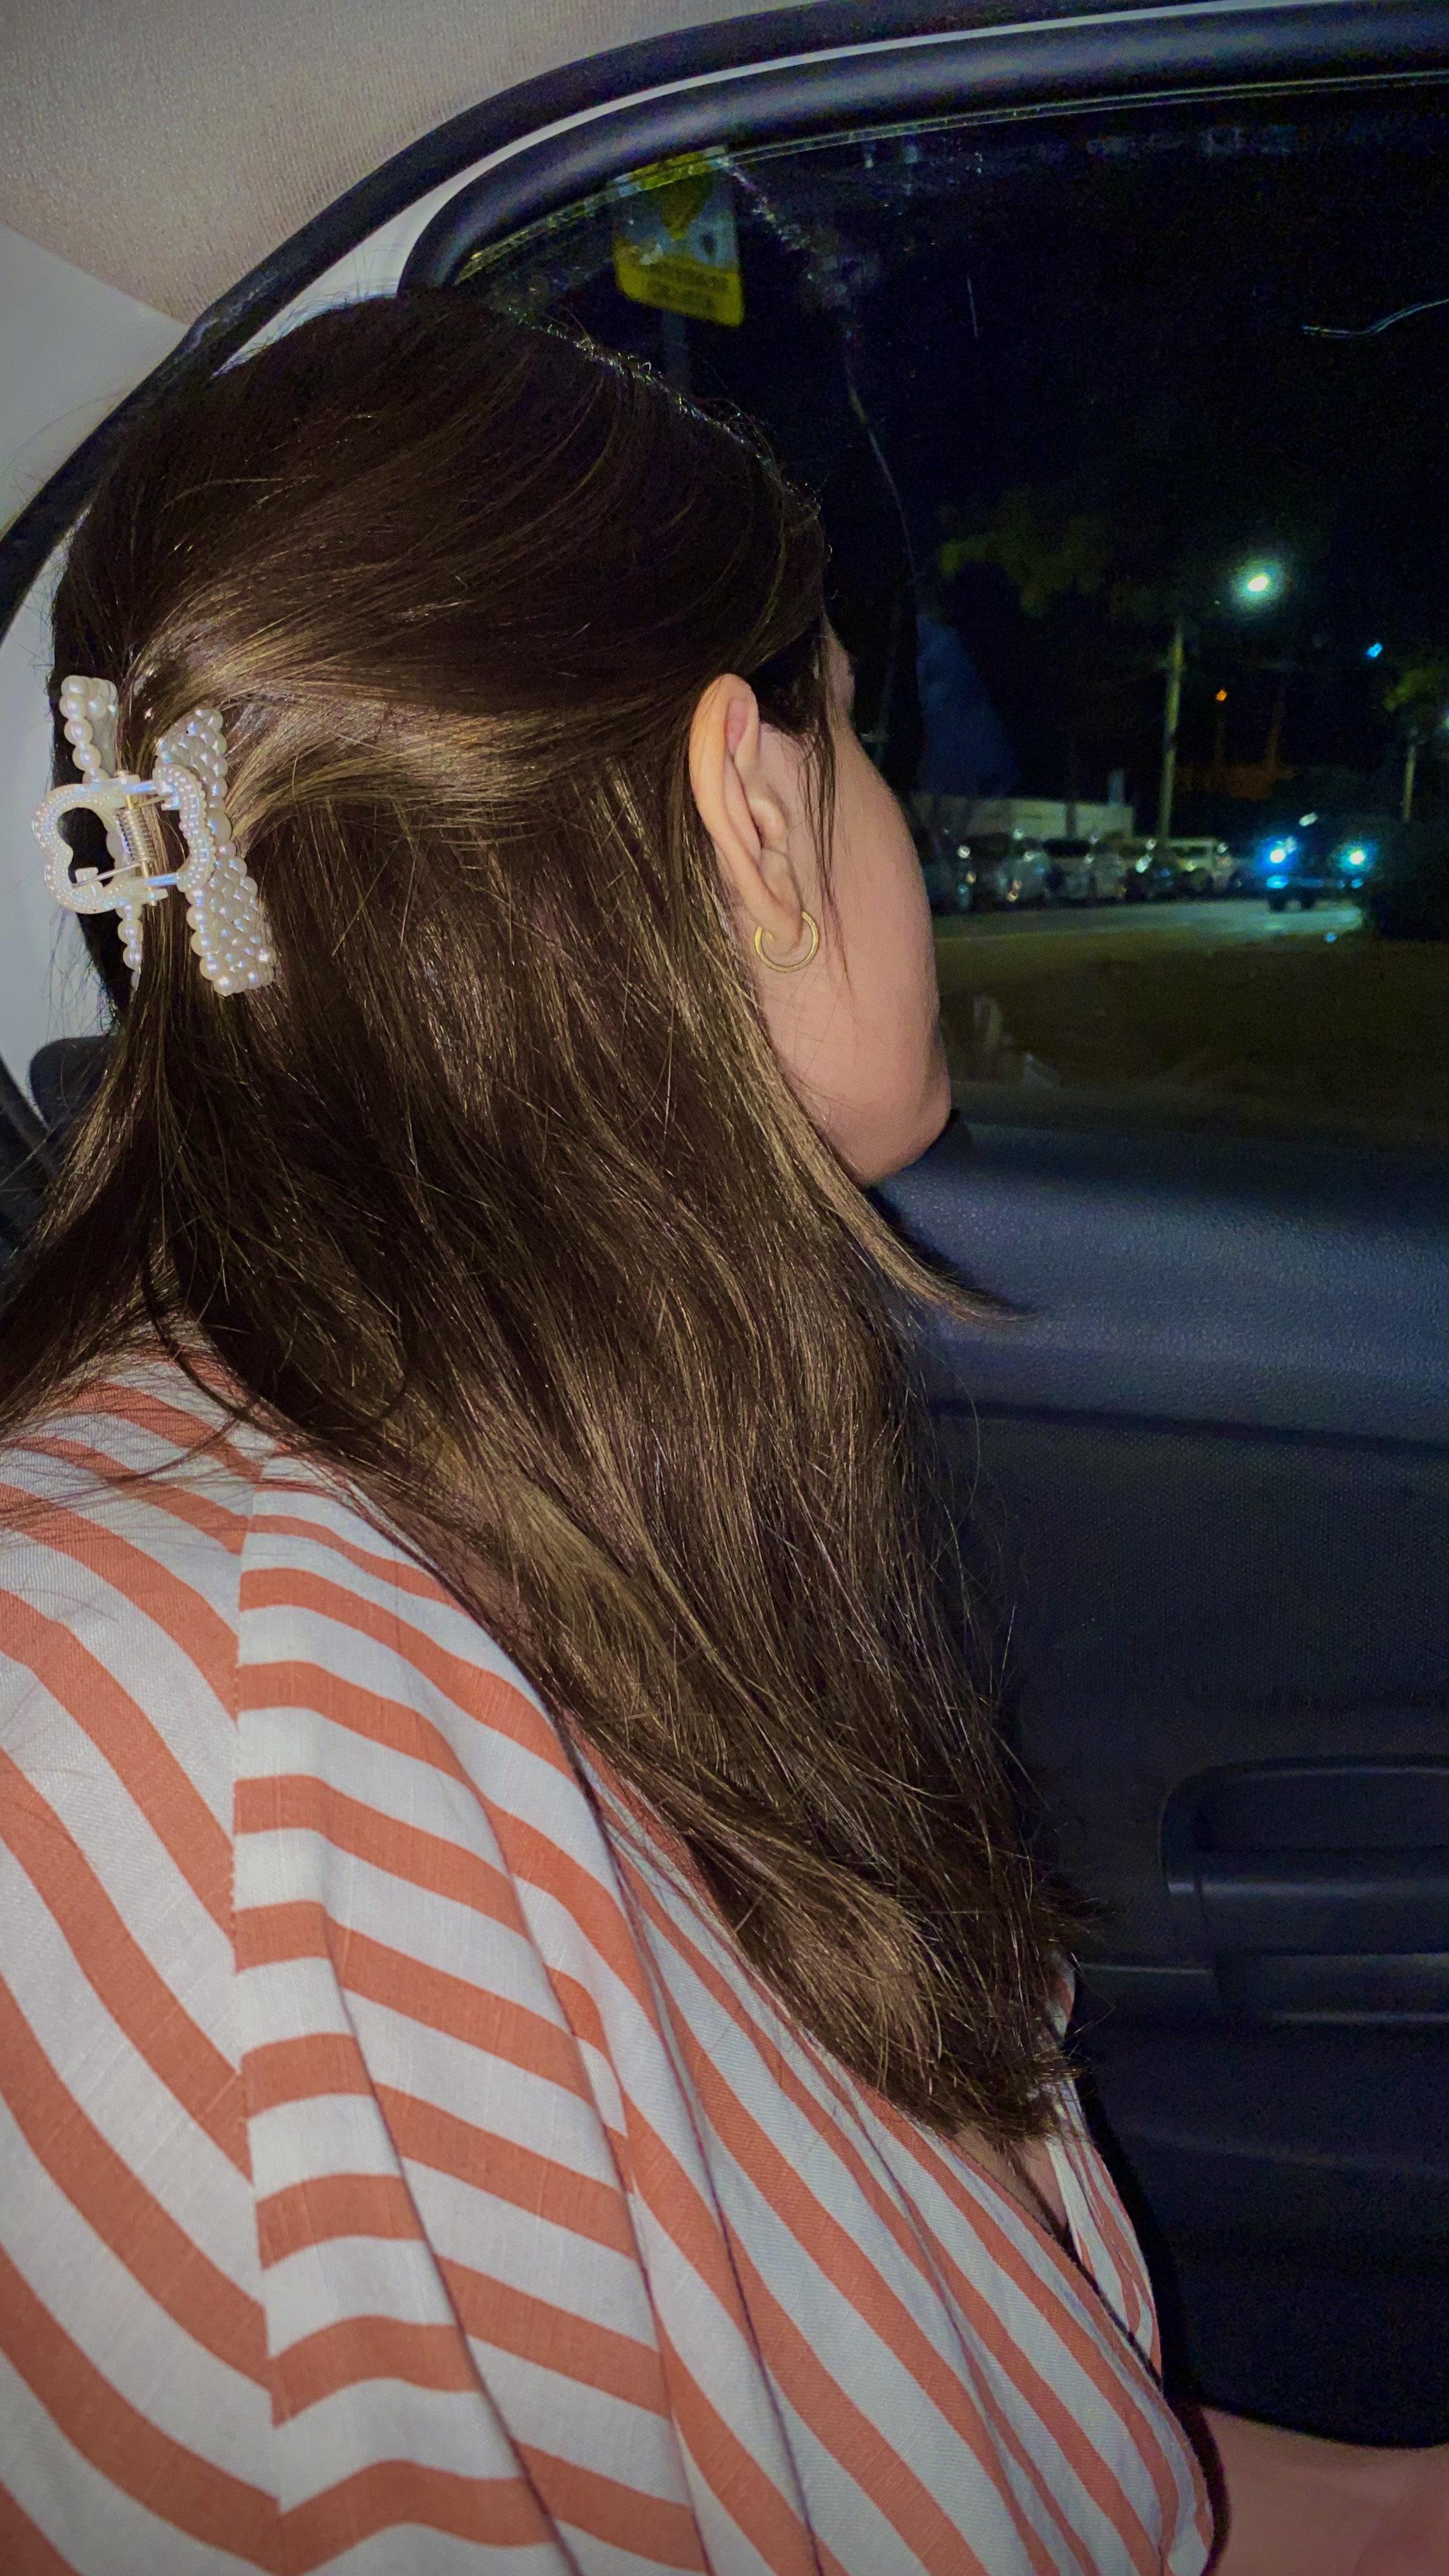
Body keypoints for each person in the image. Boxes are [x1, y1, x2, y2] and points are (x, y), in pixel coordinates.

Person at [0, 298, 1441, 2576]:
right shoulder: (221, 1728)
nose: (893, 823)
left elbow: (939, 2433)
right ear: (744, 806)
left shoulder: (515, 1476)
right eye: (854, 727)